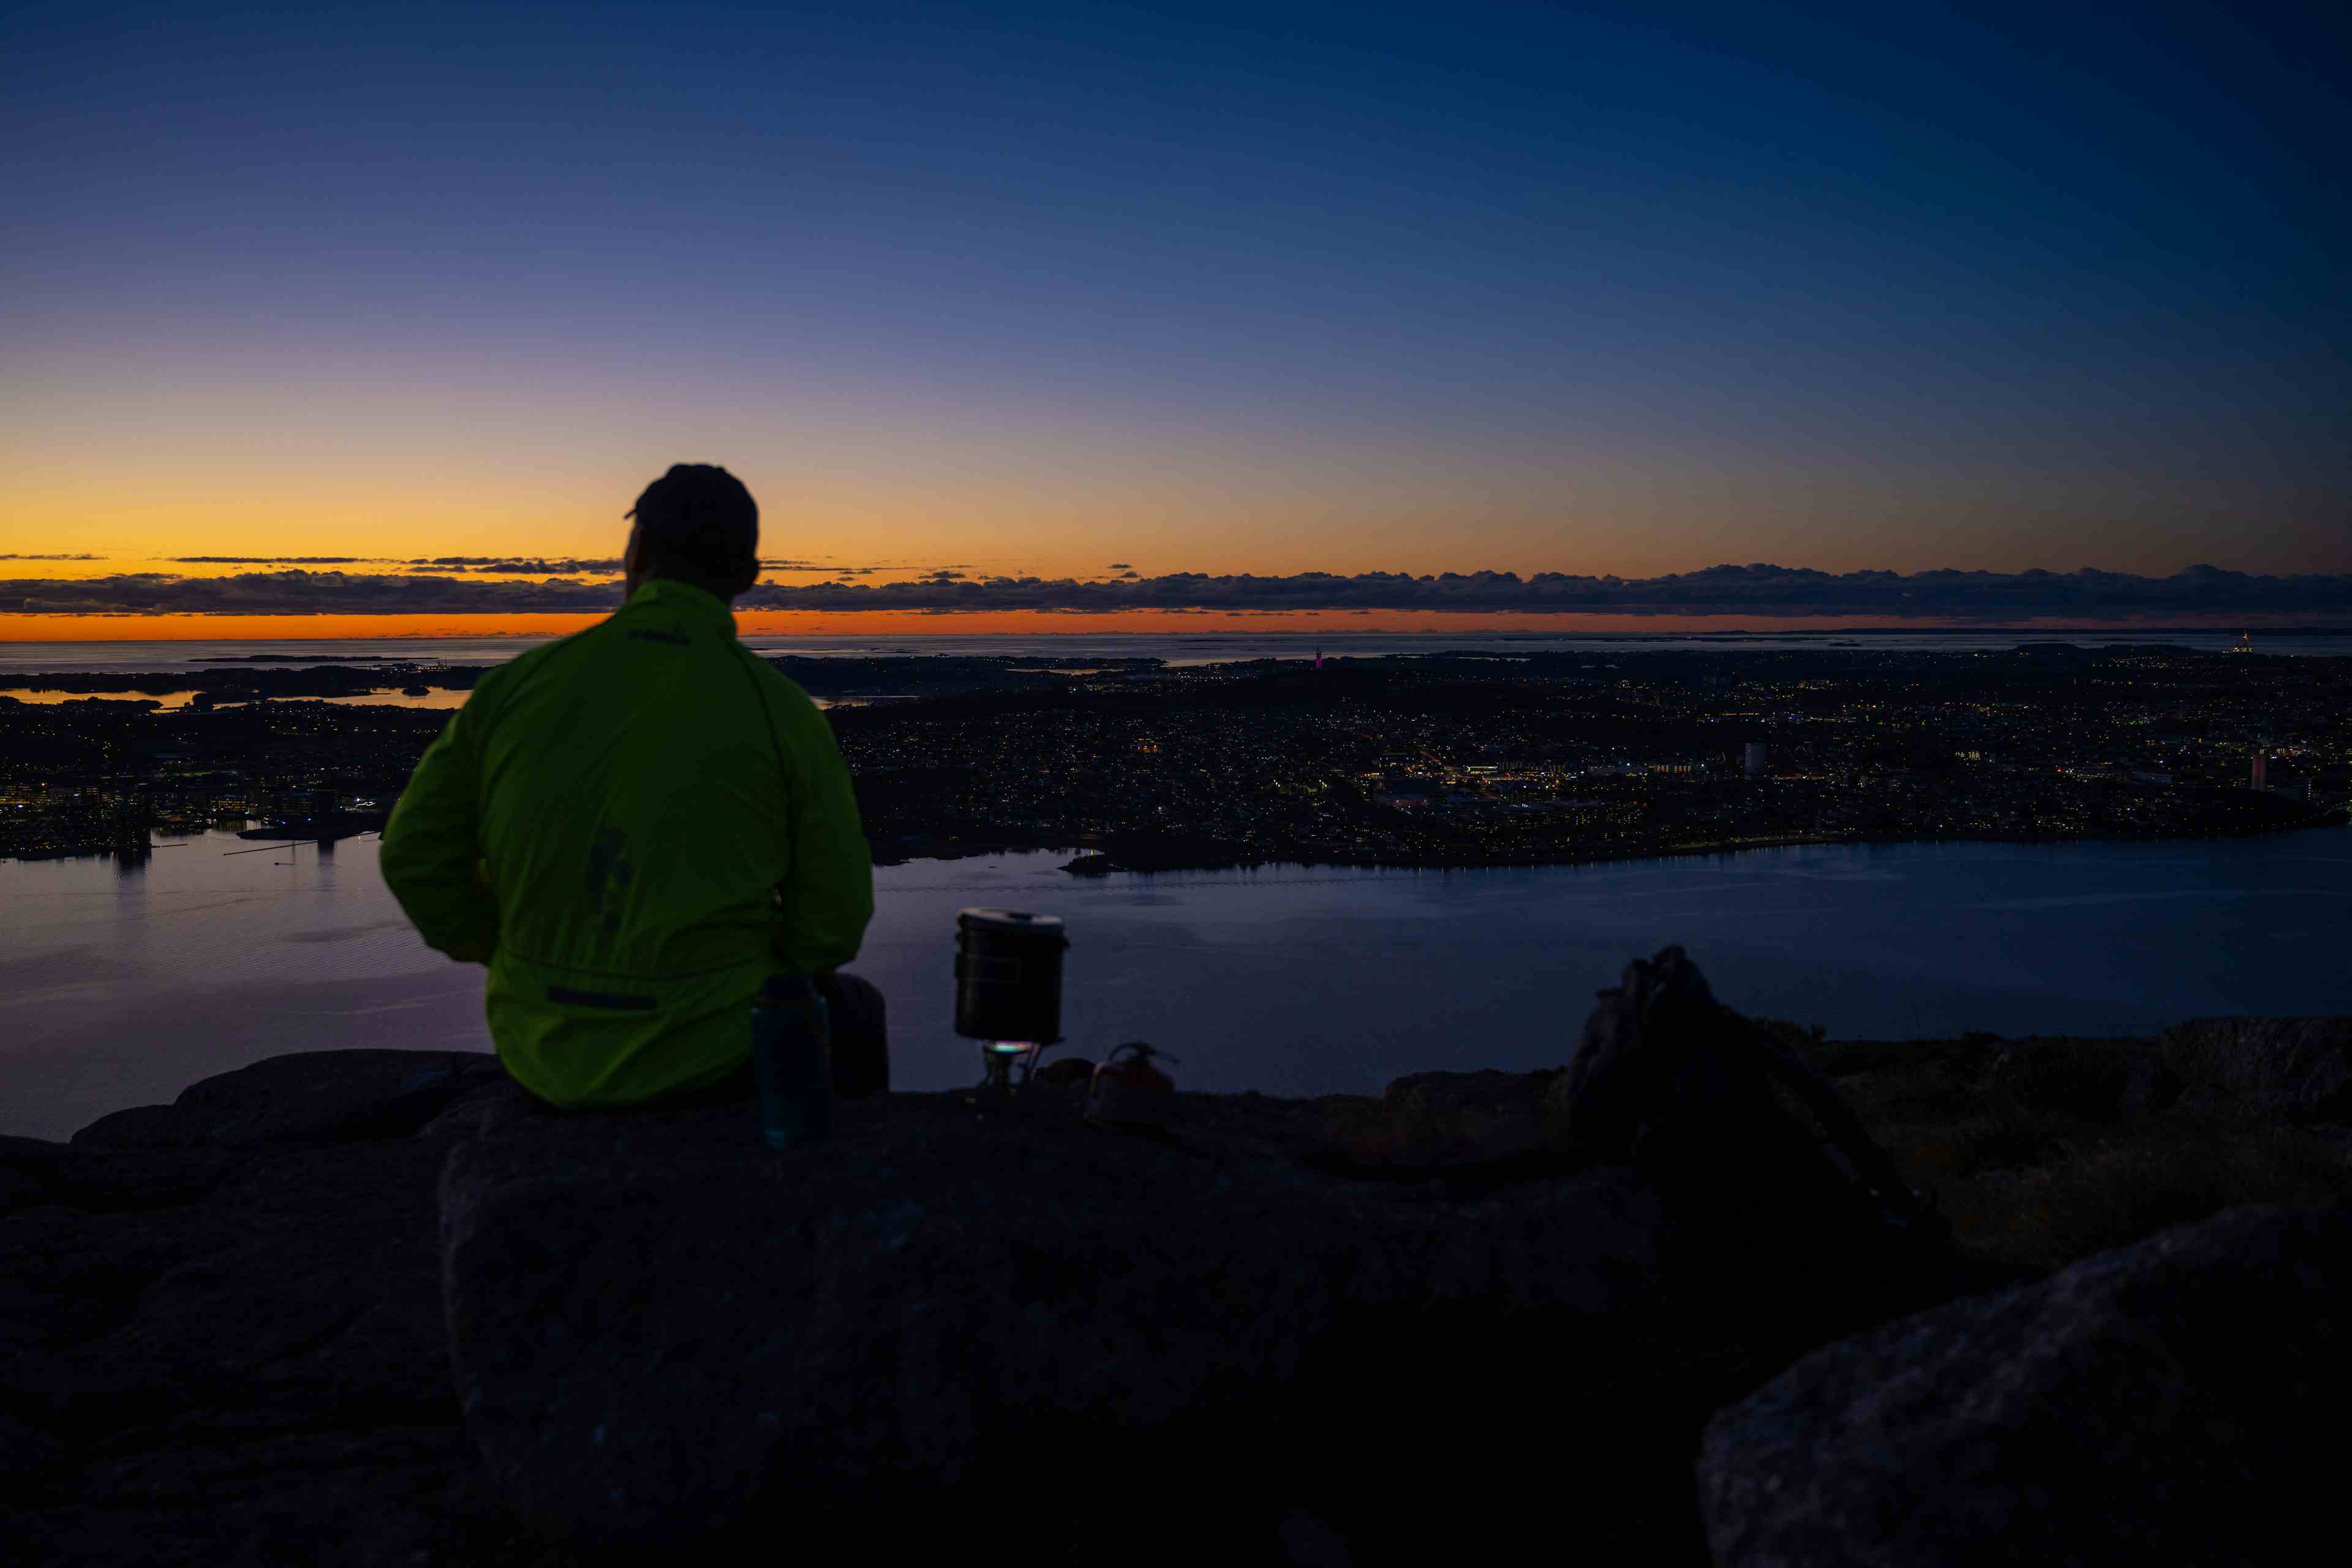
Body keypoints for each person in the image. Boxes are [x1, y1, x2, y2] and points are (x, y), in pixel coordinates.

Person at [380, 463, 884, 1107]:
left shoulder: (521, 685)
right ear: (748, 577)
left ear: (638, 551)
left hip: (540, 1050)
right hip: (718, 1054)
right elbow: (833, 923)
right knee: (856, 1009)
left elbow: (414, 856)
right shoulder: (781, 711)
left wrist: (504, 949)